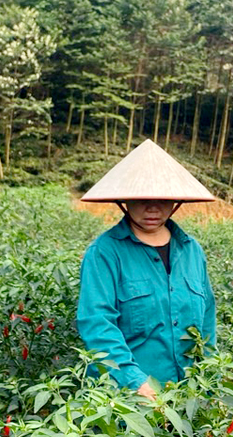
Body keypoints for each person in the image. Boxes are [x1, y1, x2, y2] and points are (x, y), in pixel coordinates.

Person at [76, 139, 218, 401]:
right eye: (142, 198)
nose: (152, 207)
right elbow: (97, 324)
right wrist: (137, 384)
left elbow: (207, 323)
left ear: (175, 201)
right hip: (125, 403)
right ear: (124, 200)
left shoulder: (191, 251)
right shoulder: (105, 253)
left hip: (188, 400)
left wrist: (209, 382)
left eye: (162, 198)